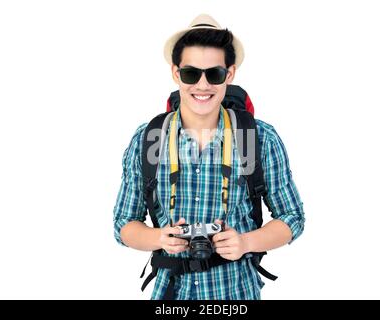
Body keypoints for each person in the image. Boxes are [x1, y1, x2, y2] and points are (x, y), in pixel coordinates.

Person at [113, 14, 305, 300]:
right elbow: (123, 224)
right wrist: (159, 238)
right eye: (191, 74)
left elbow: (293, 217)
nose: (202, 85)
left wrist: (244, 242)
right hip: (171, 294)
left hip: (236, 293)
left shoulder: (258, 138)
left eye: (213, 74)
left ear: (230, 74)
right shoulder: (149, 139)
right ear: (175, 73)